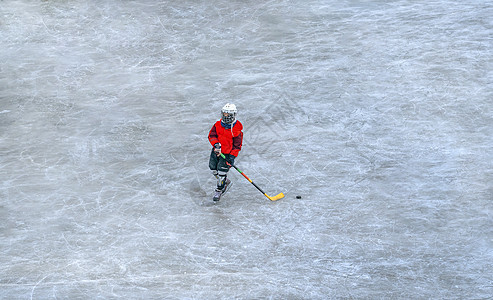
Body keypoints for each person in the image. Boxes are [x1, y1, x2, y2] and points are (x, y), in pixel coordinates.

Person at [208, 103, 243, 201]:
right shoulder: (218, 124)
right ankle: (225, 181)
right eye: (224, 114)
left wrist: (231, 157)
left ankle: (219, 189)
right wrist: (215, 144)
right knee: (213, 169)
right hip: (216, 151)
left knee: (221, 172)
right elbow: (212, 135)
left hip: (227, 154)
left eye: (228, 114)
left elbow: (237, 146)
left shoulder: (237, 129)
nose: (225, 116)